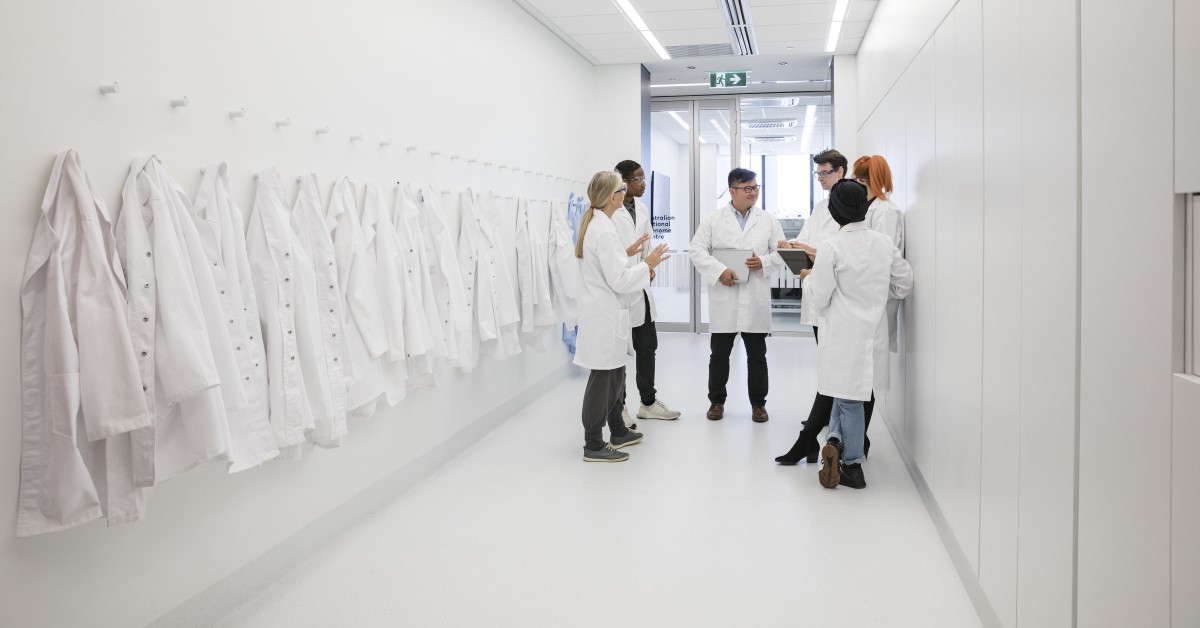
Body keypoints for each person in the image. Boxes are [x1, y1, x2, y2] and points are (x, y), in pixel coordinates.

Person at [803, 179, 913, 488]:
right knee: (848, 394)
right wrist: (877, 294)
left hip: (842, 335)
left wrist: (807, 278)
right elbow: (904, 283)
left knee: (847, 398)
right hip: (873, 333)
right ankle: (835, 441)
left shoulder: (832, 246)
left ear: (834, 211)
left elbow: (820, 295)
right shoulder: (883, 242)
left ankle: (852, 466)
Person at [775, 149, 874, 464]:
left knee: (843, 378)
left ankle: (816, 440)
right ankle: (842, 439)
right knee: (835, 376)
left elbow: (843, 254)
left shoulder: (861, 209)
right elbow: (815, 245)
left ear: (841, 172)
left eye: (824, 172)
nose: (819, 178)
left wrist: (815, 257)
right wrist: (794, 246)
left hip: (842, 305)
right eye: (816, 173)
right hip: (826, 303)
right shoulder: (821, 208)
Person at [574, 170, 670, 462]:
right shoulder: (603, 230)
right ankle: (593, 443)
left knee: (616, 374)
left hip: (608, 314)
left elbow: (609, 265)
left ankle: (617, 430)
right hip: (604, 316)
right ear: (612, 197)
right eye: (622, 189)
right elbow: (619, 280)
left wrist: (626, 253)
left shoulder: (601, 225)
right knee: (603, 380)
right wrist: (646, 264)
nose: (625, 193)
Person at [688, 168, 785, 423]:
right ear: (732, 191)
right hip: (725, 295)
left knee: (757, 355)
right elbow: (696, 250)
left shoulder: (768, 220)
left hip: (755, 296)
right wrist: (719, 271)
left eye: (756, 187)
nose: (753, 193)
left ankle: (758, 405)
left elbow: (781, 252)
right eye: (748, 188)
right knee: (719, 355)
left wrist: (763, 261)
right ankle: (716, 402)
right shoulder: (713, 219)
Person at [612, 160, 681, 428]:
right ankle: (619, 408)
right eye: (638, 180)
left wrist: (648, 268)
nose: (643, 184)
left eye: (644, 179)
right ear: (623, 182)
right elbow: (611, 253)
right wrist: (640, 268)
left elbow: (647, 244)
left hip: (640, 289)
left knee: (647, 348)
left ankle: (648, 403)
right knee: (618, 354)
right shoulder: (608, 211)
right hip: (619, 290)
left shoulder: (641, 209)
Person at [854, 154, 905, 352]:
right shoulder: (869, 208)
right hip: (866, 290)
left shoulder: (884, 212)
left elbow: (880, 256)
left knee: (876, 352)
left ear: (861, 181)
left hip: (878, 292)